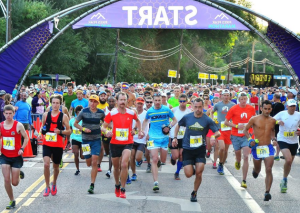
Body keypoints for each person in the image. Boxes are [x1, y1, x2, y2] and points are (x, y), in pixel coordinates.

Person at [172, 98, 220, 202]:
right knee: (188, 174)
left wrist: (213, 137)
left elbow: (217, 132)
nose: (198, 109)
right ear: (193, 107)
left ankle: (194, 192)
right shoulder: (187, 117)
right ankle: (192, 167)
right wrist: (175, 137)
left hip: (200, 149)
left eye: (200, 107)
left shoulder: (207, 119)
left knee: (199, 172)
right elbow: (178, 125)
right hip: (188, 149)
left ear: (203, 107)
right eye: (196, 107)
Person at [102, 92, 143, 198]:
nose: (123, 102)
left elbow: (138, 121)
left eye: (124, 100)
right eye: (121, 100)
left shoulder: (131, 112)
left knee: (124, 164)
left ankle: (123, 189)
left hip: (127, 142)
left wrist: (138, 130)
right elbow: (103, 127)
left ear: (127, 101)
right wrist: (106, 132)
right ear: (117, 101)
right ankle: (117, 185)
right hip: (115, 143)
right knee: (116, 168)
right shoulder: (112, 113)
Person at [142, 94, 177, 191]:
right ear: (153, 101)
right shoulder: (150, 111)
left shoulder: (166, 109)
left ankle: (159, 161)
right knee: (154, 158)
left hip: (164, 138)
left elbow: (174, 120)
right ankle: (155, 182)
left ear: (162, 101)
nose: (157, 102)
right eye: (156, 100)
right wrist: (143, 131)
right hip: (153, 137)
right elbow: (145, 121)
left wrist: (169, 127)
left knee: (163, 160)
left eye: (159, 100)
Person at [243, 100, 277, 201]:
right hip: (257, 148)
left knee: (269, 168)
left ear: (271, 109)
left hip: (268, 148)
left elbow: (272, 131)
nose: (267, 111)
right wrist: (250, 140)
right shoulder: (254, 119)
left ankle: (267, 192)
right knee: (258, 169)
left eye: (269, 109)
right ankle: (255, 171)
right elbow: (245, 129)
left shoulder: (273, 120)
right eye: (265, 109)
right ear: (261, 108)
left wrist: (274, 139)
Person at [38, 95, 71, 197]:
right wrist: (40, 134)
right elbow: (42, 127)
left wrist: (60, 131)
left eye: (57, 103)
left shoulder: (63, 116)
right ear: (50, 104)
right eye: (53, 103)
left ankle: (54, 183)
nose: (55, 105)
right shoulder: (45, 115)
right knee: (46, 164)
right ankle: (47, 186)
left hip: (57, 145)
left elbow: (69, 131)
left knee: (56, 167)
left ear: (60, 104)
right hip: (47, 143)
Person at [74, 95, 105, 194]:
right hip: (86, 140)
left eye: (95, 101)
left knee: (94, 161)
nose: (92, 103)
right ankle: (89, 161)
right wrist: (83, 129)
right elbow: (75, 123)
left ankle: (92, 184)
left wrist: (105, 128)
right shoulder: (84, 111)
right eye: (91, 101)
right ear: (89, 102)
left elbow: (106, 123)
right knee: (88, 162)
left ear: (97, 103)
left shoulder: (101, 113)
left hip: (96, 139)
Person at [224, 92, 256, 188]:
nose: (243, 101)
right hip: (235, 135)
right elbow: (226, 122)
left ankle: (244, 180)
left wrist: (253, 132)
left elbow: (255, 121)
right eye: (241, 99)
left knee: (246, 156)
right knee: (238, 156)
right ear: (238, 99)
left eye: (244, 99)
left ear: (247, 99)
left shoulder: (251, 108)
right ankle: (237, 161)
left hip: (247, 135)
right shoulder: (233, 108)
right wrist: (237, 126)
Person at [0, 105, 29, 209]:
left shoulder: (18, 125)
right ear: (3, 114)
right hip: (4, 156)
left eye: (10, 113)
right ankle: (12, 200)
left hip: (16, 156)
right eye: (6, 113)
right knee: (6, 180)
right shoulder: (1, 125)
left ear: (13, 114)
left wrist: (22, 148)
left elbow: (26, 138)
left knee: (15, 183)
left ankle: (18, 172)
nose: (8, 115)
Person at [273, 99, 300, 193]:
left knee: (289, 163)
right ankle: (284, 180)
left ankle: (284, 178)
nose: (293, 108)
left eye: (294, 106)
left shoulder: (298, 114)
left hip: (294, 141)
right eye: (291, 106)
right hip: (282, 139)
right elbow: (271, 120)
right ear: (287, 106)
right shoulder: (282, 113)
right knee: (288, 159)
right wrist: (278, 122)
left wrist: (299, 131)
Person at [211, 89, 235, 175]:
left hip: (229, 129)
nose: (226, 97)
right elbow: (211, 111)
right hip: (220, 129)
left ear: (229, 96)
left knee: (226, 150)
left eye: (227, 95)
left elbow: (236, 115)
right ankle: (220, 163)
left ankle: (221, 164)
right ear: (222, 96)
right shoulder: (218, 105)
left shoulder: (233, 105)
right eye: (224, 95)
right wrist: (213, 120)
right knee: (222, 148)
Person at [169, 94, 191, 180]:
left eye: (184, 101)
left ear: (186, 101)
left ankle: (177, 172)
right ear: (178, 102)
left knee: (182, 155)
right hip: (174, 136)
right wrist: (168, 127)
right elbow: (167, 118)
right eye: (180, 101)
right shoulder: (174, 110)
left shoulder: (189, 112)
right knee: (176, 156)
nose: (182, 103)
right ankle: (172, 157)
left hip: (184, 137)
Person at [130, 97, 148, 181]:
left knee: (138, 157)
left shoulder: (146, 113)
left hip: (142, 139)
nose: (139, 105)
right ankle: (134, 173)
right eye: (138, 103)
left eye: (141, 103)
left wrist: (148, 134)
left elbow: (150, 124)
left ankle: (140, 160)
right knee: (131, 156)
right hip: (132, 138)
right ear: (135, 104)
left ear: (143, 104)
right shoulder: (131, 112)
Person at [102, 96, 116, 178]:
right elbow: (103, 121)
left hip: (114, 134)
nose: (111, 103)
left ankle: (109, 170)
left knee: (111, 152)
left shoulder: (117, 110)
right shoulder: (104, 110)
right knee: (107, 152)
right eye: (110, 101)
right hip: (105, 133)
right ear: (107, 102)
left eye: (113, 101)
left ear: (115, 102)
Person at [69, 105, 84, 175]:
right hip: (75, 139)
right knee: (76, 153)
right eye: (78, 112)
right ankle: (77, 169)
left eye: (80, 112)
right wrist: (68, 141)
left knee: (82, 156)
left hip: (83, 139)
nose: (79, 114)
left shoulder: (85, 121)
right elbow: (70, 130)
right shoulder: (72, 121)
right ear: (76, 113)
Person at [270, 94, 285, 160]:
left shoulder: (274, 105)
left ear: (275, 98)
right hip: (280, 123)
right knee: (278, 139)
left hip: (275, 123)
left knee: (276, 139)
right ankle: (278, 154)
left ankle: (277, 154)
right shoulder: (282, 105)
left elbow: (271, 115)